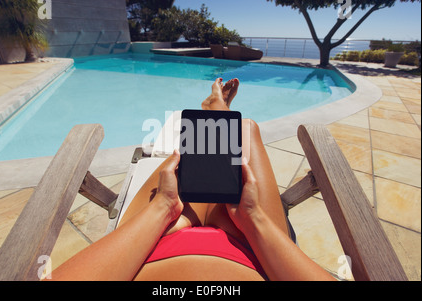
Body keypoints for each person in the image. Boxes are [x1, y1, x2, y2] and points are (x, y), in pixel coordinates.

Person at [49, 78, 335, 281]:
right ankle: (217, 110)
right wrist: (252, 218)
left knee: (210, 147)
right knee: (246, 130)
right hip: (254, 247)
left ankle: (214, 112)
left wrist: (164, 206)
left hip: (152, 243)